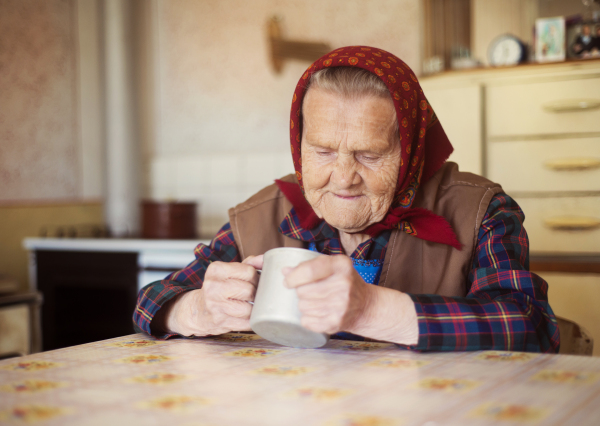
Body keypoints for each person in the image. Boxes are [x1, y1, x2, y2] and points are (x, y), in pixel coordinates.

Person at [133, 46, 559, 353]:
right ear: (299, 145)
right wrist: (197, 311)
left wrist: (370, 309)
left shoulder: (482, 212)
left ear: (410, 151)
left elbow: (529, 324)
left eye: (369, 155)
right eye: (321, 151)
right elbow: (152, 300)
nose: (343, 177)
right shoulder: (263, 213)